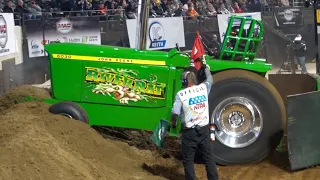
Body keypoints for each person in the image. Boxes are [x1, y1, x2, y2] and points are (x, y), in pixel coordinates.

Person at [170, 61, 219, 180]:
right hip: (203, 130)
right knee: (208, 157)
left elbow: (175, 113)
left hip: (189, 133)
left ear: (184, 82)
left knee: (188, 160)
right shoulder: (203, 88)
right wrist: (207, 69)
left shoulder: (180, 94)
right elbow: (210, 79)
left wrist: (173, 123)